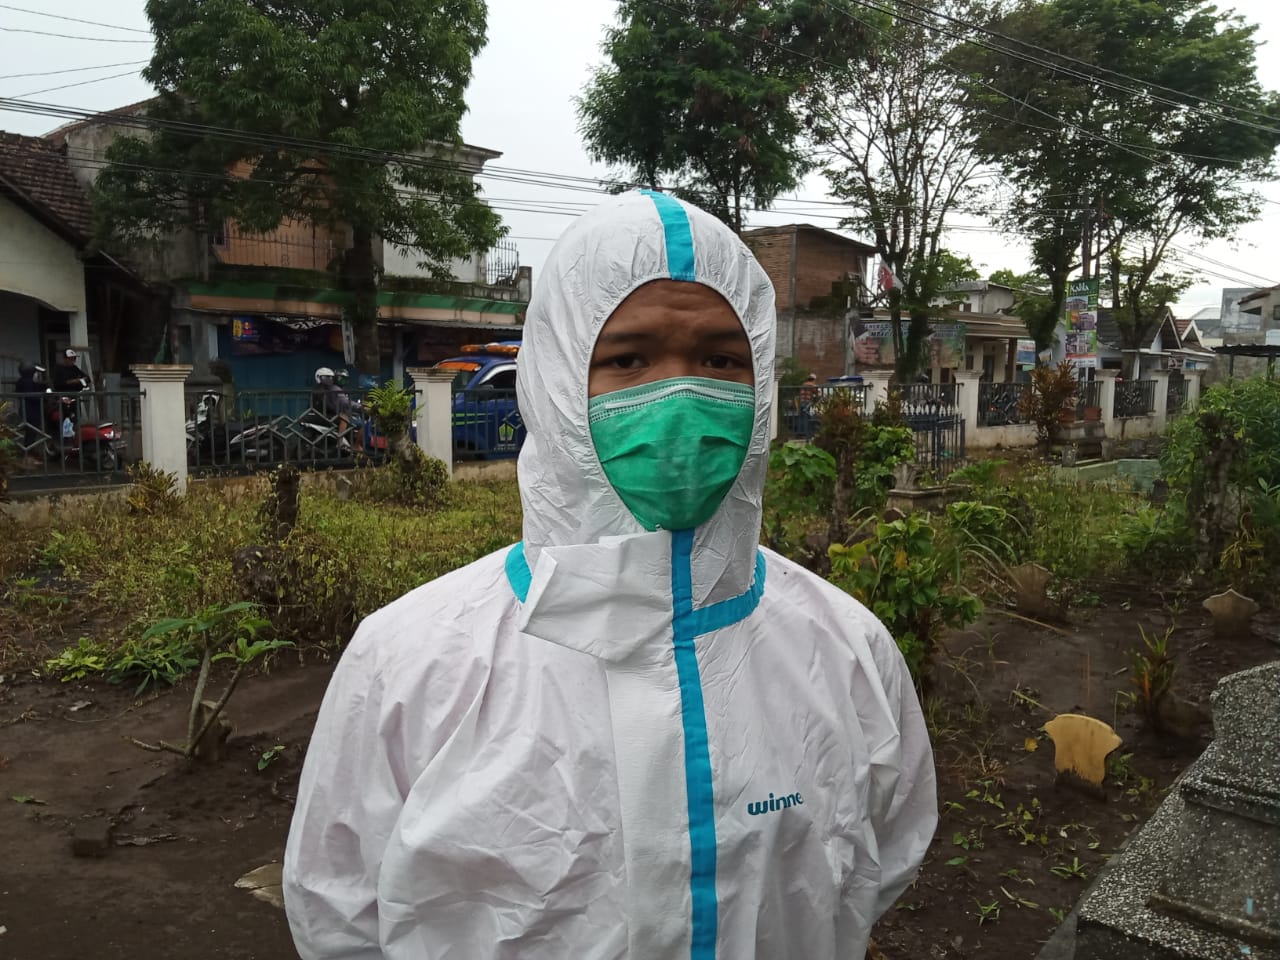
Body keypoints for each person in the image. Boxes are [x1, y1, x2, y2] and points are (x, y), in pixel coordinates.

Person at [283, 191, 937, 960]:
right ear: (557, 377)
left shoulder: (846, 647)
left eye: (721, 359)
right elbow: (339, 910)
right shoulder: (410, 662)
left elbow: (881, 861)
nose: (682, 394)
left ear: (761, 384)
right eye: (628, 358)